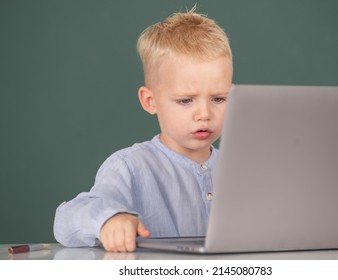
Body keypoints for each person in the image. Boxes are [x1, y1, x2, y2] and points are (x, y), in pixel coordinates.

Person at [53, 7, 233, 252]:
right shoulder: (129, 167)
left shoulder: (238, 169)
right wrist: (108, 220)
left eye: (218, 99)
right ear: (151, 101)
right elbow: (66, 221)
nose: (204, 114)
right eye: (185, 100)